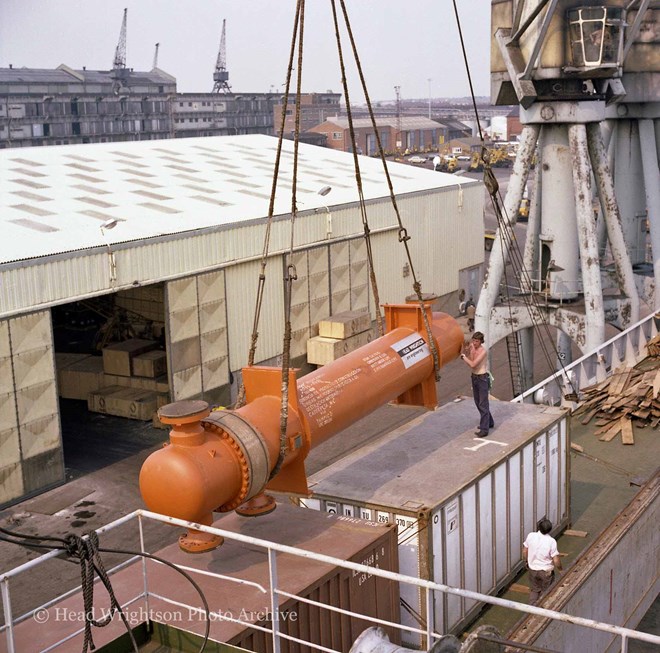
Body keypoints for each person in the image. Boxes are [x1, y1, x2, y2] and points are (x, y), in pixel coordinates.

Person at [460, 331, 494, 437]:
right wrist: (465, 347)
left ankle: (484, 429)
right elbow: (466, 349)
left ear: (481, 341)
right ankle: (489, 422)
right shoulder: (472, 346)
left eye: (477, 341)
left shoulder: (483, 351)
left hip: (482, 378)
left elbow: (473, 364)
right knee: (477, 401)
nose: (474, 343)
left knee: (483, 403)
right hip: (474, 377)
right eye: (473, 340)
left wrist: (463, 357)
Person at [523, 519, 563, 605]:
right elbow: (556, 560)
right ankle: (543, 609)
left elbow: (525, 551)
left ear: (539, 527)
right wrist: (560, 570)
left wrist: (526, 561)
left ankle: (532, 608)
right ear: (550, 529)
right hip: (546, 572)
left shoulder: (531, 536)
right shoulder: (551, 541)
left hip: (532, 569)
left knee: (534, 589)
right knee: (546, 592)